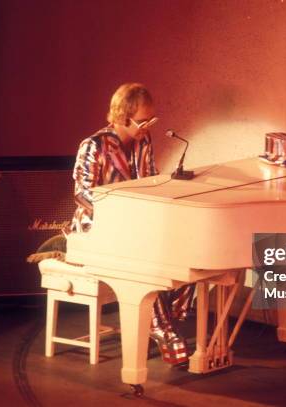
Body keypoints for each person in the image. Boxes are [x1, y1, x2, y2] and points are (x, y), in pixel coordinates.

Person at [70, 83, 193, 365]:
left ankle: (165, 319)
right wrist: (121, 216)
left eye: (152, 120)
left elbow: (149, 181)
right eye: (143, 121)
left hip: (133, 226)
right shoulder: (93, 145)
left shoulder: (144, 142)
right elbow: (81, 193)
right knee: (146, 259)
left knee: (184, 250)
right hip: (96, 229)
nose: (148, 126)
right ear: (123, 115)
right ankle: (161, 327)